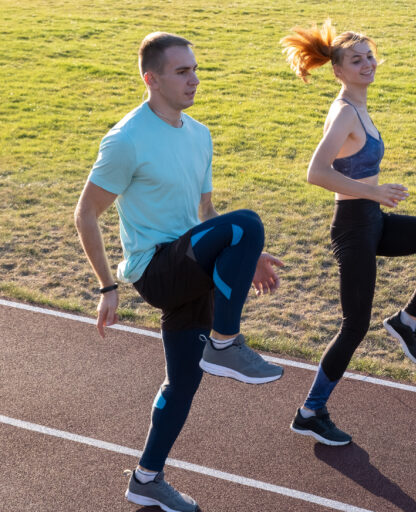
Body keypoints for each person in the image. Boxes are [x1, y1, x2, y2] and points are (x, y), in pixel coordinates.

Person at [74, 32, 285, 512]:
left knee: (183, 384)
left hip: (192, 267)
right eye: (181, 71)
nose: (193, 79)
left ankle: (146, 479)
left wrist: (247, 255)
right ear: (152, 79)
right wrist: (108, 286)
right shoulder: (126, 139)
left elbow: (206, 213)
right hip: (157, 270)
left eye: (195, 69)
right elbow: (85, 214)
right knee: (248, 221)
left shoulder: (199, 134)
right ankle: (226, 343)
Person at [280, 20, 416, 446]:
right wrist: (374, 191)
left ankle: (407, 321)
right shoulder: (346, 110)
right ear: (338, 70)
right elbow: (316, 173)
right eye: (356, 60)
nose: (367, 64)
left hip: (373, 222)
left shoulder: (359, 106)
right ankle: (311, 410)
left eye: (369, 56)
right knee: (355, 324)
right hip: (353, 227)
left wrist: (374, 198)